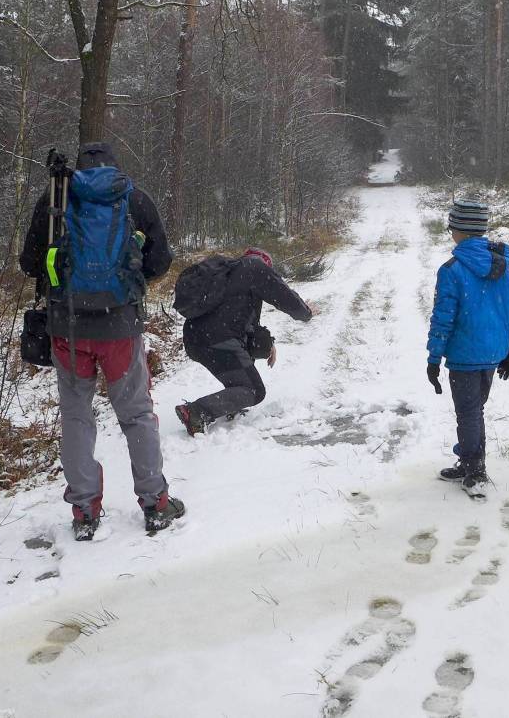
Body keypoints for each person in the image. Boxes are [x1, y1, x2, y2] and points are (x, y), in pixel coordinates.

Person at [20, 142, 185, 541]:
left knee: (76, 417)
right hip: (120, 328)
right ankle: (155, 502)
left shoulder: (57, 198)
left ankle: (83, 510)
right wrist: (128, 280)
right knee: (136, 414)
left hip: (67, 329)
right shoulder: (133, 198)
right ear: (114, 168)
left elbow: (28, 263)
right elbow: (161, 261)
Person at [426, 198, 509, 496]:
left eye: (452, 225)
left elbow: (443, 318)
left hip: (465, 355)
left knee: (467, 412)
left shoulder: (451, 270)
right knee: (474, 410)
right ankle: (468, 461)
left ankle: (475, 471)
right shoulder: (499, 264)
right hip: (492, 353)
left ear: (459, 230)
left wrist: (433, 357)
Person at [175, 248, 312, 435]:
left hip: (195, 340)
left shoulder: (225, 276)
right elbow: (286, 298)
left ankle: (230, 406)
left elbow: (249, 328)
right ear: (266, 263)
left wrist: (269, 343)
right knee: (254, 390)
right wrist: (307, 312)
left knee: (243, 371)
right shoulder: (255, 267)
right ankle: (197, 412)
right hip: (219, 338)